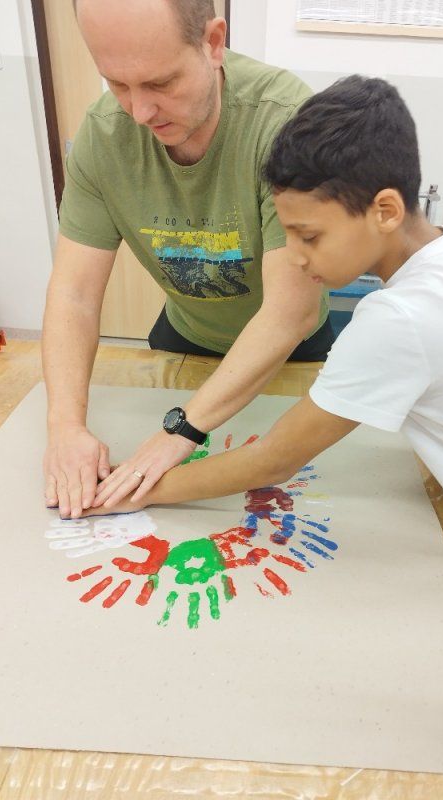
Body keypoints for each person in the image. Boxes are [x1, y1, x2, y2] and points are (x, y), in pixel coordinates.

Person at [83, 76, 443, 681]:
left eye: (308, 236)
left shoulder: (397, 317)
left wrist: (138, 492)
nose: (295, 254)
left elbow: (272, 461)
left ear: (385, 211)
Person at [42, 0, 332, 521]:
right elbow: (74, 295)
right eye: (117, 83)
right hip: (186, 336)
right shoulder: (104, 136)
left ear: (214, 43)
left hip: (294, 351)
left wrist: (181, 430)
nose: (139, 112)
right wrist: (65, 426)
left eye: (160, 83)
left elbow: (289, 313)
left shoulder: (287, 123)